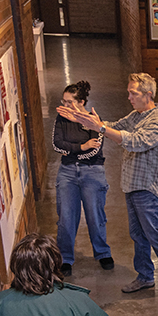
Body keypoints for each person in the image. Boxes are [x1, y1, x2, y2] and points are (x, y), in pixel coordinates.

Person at [57, 72, 158, 300]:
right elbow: (114, 126)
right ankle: (146, 276)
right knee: (138, 235)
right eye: (129, 92)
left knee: (155, 235)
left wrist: (99, 128)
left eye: (133, 93)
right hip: (132, 185)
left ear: (148, 95)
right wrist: (86, 120)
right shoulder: (137, 114)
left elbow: (133, 141)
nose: (129, 97)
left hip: (148, 188)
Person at [52, 80, 112, 276]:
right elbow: (57, 145)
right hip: (67, 172)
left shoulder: (95, 120)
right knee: (66, 217)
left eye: (70, 102)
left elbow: (94, 152)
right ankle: (66, 258)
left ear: (82, 102)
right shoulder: (60, 119)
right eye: (64, 101)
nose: (65, 105)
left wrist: (75, 151)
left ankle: (102, 253)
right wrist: (81, 147)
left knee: (95, 216)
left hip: (92, 172)